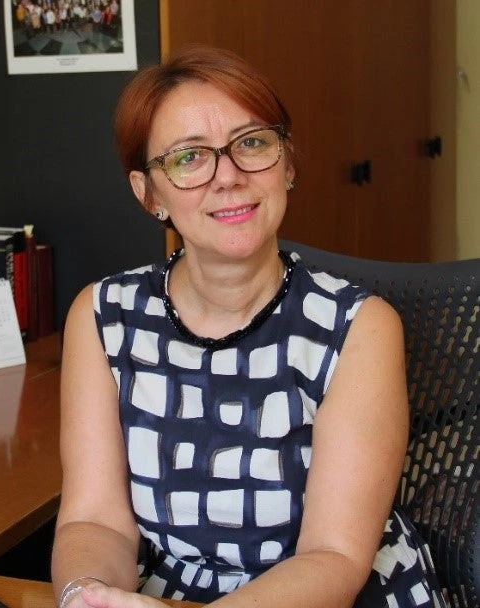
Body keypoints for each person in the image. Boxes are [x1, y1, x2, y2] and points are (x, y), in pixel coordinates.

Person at [51, 44, 446, 608]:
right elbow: (96, 520)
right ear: (149, 193)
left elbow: (333, 557)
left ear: (288, 164)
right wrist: (86, 595)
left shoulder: (359, 327)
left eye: (252, 143)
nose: (229, 176)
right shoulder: (102, 316)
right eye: (189, 157)